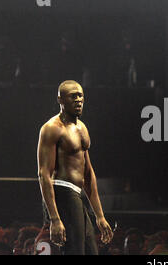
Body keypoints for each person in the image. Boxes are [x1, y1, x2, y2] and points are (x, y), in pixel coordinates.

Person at [37, 80, 113, 255]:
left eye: (80, 96)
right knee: (75, 250)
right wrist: (54, 219)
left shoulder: (82, 128)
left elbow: (88, 173)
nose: (78, 100)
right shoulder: (51, 128)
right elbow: (43, 174)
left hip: (77, 195)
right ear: (60, 100)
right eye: (73, 96)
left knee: (90, 251)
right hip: (62, 192)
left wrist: (99, 216)